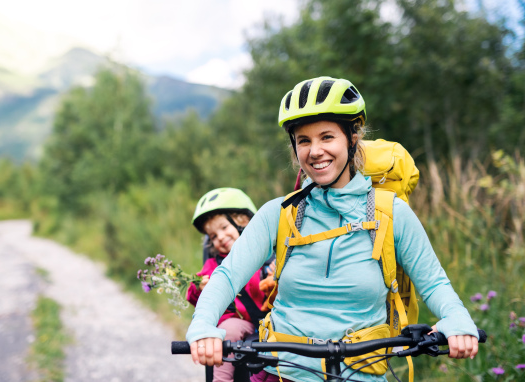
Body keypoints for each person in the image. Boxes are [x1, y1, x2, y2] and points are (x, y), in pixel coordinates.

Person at [186, 76, 479, 382]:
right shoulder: (280, 213)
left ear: (353, 137)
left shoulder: (391, 213)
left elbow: (433, 282)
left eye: (327, 137)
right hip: (288, 374)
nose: (315, 151)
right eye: (303, 140)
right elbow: (228, 275)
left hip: (363, 373)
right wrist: (204, 323)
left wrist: (456, 319)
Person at [187, 187, 266, 382]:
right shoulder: (213, 265)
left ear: (242, 223)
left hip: (271, 321)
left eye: (224, 228)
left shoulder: (265, 256)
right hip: (240, 322)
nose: (220, 237)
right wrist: (199, 287)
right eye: (213, 236)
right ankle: (222, 380)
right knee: (228, 329)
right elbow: (196, 297)